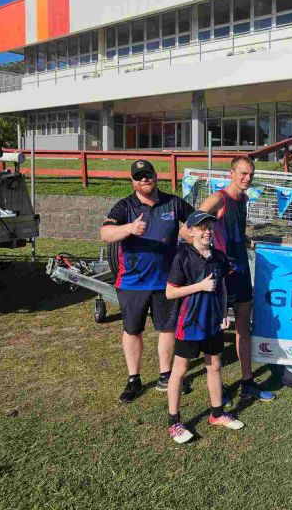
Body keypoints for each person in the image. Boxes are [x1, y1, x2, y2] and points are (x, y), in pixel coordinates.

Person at [101, 160, 194, 403]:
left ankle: (166, 374)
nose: (144, 179)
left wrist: (191, 233)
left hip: (166, 282)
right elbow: (105, 234)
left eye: (148, 175)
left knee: (167, 328)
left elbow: (197, 220)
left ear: (155, 176)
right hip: (133, 282)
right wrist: (129, 228)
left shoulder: (173, 203)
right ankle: (134, 378)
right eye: (138, 176)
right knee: (132, 330)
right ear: (132, 181)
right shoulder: (125, 206)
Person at [199, 157, 275, 402]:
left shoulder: (244, 199)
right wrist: (205, 251)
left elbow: (234, 228)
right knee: (217, 331)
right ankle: (218, 387)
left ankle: (247, 382)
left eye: (251, 175)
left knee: (244, 326)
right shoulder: (219, 198)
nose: (247, 179)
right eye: (243, 174)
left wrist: (243, 239)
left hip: (241, 270)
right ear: (231, 173)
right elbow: (191, 226)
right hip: (221, 275)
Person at [164, 211, 244, 443]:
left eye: (209, 227)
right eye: (200, 227)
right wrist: (198, 286)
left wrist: (223, 313)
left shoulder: (219, 257)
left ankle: (217, 414)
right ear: (190, 232)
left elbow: (222, 289)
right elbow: (170, 292)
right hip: (189, 323)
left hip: (213, 322)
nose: (206, 231)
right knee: (179, 370)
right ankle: (174, 422)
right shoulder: (183, 256)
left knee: (215, 365)